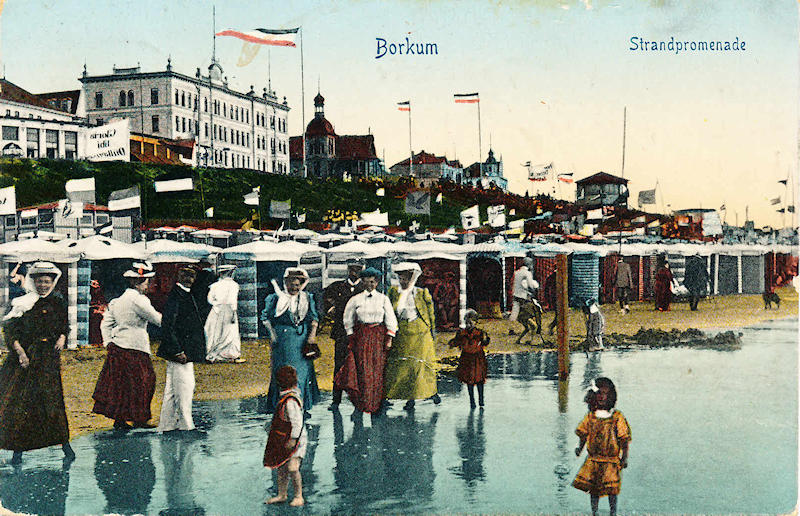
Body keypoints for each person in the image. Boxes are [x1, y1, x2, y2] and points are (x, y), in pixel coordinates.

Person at [0, 261, 74, 464]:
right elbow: (10, 331)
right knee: (23, 402)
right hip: (27, 359)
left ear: (53, 282)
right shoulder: (23, 303)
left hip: (48, 359)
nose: (43, 285)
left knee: (52, 401)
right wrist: (21, 354)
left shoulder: (57, 301)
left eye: (47, 281)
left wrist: (62, 336)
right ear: (33, 282)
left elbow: (63, 324)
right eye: (40, 281)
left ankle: (65, 445)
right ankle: (18, 451)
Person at [92, 261, 162, 431]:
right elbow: (157, 320)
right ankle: (140, 418)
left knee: (120, 384)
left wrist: (108, 342)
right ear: (139, 282)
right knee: (143, 382)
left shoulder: (117, 301)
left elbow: (105, 324)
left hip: (118, 345)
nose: (148, 285)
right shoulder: (139, 300)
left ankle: (120, 419)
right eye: (146, 282)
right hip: (136, 345)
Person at [333, 267, 398, 415]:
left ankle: (377, 402)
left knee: (378, 368)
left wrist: (389, 338)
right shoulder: (355, 299)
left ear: (377, 283)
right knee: (363, 369)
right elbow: (347, 318)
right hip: (361, 336)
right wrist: (350, 335)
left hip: (379, 336)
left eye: (373, 282)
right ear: (362, 282)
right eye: (367, 282)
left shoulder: (383, 299)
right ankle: (361, 402)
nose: (370, 285)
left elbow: (390, 319)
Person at [261, 268, 321, 414]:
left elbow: (314, 318)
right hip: (282, 339)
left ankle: (300, 404)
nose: (294, 288)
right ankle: (282, 405)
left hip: (301, 339)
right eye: (291, 285)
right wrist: (273, 335)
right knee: (283, 371)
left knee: (301, 372)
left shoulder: (307, 298)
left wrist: (312, 336)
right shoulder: (276, 298)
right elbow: (265, 318)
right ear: (285, 283)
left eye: (297, 285)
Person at [156, 266, 206, 432]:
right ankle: (186, 425)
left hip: (180, 351)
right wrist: (177, 350)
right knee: (185, 388)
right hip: (181, 352)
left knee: (171, 391)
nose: (189, 279)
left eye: (192, 275)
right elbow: (167, 326)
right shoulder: (177, 296)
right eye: (186, 275)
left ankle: (167, 424)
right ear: (179, 276)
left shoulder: (181, 294)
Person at [385, 262, 440, 411]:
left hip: (420, 333)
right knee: (403, 367)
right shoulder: (393, 292)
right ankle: (402, 396)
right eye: (401, 279)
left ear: (413, 279)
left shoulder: (421, 293)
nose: (404, 282)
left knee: (420, 366)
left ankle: (426, 394)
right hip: (401, 332)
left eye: (407, 279)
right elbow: (388, 312)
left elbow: (430, 314)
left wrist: (432, 332)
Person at [573, 377, 631, 516]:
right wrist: (579, 449)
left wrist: (624, 457)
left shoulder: (616, 417)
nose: (601, 396)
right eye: (598, 393)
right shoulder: (591, 416)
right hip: (593, 459)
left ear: (610, 395)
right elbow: (583, 434)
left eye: (604, 393)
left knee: (612, 490)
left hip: (611, 460)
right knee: (594, 490)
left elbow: (624, 439)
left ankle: (613, 513)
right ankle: (595, 512)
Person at [323, 261, 365, 410]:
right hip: (341, 333)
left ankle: (358, 401)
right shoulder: (337, 286)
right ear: (348, 269)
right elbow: (324, 297)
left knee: (359, 366)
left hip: (359, 333)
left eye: (358, 269)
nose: (355, 272)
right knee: (339, 365)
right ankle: (336, 400)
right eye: (352, 269)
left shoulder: (365, 288)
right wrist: (330, 308)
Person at [263, 365, 306, 507]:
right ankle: (282, 494)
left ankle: (299, 496)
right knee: (282, 466)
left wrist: (294, 439)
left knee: (293, 467)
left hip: (296, 439)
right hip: (284, 438)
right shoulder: (285, 399)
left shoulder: (290, 401)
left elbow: (298, 423)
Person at [448, 309, 489, 408]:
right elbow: (454, 342)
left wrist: (484, 339)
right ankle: (472, 401)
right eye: (467, 322)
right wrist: (452, 343)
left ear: (475, 322)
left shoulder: (480, 333)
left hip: (478, 358)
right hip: (467, 359)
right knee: (469, 381)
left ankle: (481, 400)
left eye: (471, 322)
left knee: (479, 380)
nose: (469, 324)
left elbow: (486, 342)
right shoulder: (462, 333)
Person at [205, 264, 243, 363]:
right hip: (229, 310)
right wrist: (234, 312)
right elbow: (232, 300)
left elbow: (209, 299)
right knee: (229, 332)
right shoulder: (234, 285)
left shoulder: (215, 285)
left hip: (216, 310)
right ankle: (230, 355)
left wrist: (216, 305)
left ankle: (212, 355)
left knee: (214, 332)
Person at [509, 258, 538, 335]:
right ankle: (533, 326)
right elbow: (530, 285)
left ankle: (511, 329)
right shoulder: (527, 273)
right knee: (528, 312)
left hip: (516, 294)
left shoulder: (516, 272)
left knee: (514, 312)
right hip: (524, 295)